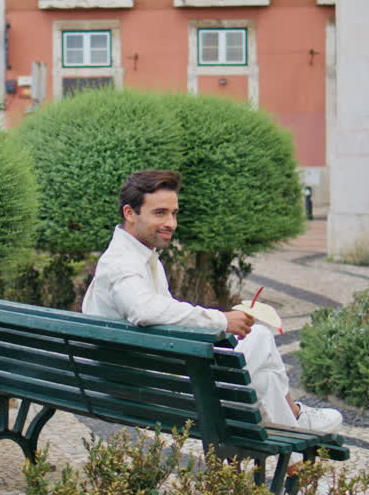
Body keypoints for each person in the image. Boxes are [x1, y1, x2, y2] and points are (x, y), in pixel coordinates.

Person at [81, 170, 342, 433]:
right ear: (130, 213)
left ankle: (294, 446)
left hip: (139, 381)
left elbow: (162, 318)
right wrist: (221, 320)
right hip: (147, 393)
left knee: (263, 377)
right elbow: (145, 310)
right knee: (260, 338)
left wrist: (214, 324)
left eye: (174, 213)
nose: (171, 222)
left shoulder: (140, 257)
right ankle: (296, 418)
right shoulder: (121, 263)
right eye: (160, 213)